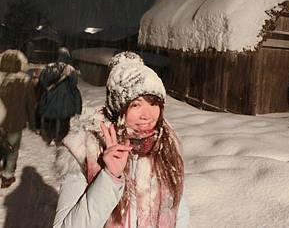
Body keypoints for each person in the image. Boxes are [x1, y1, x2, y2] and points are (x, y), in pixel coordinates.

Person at [53, 59, 189, 227]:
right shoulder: (87, 149)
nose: (147, 115)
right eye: (136, 105)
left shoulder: (166, 145)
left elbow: (178, 210)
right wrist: (110, 177)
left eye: (154, 104)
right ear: (118, 108)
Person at [0, 49, 36, 188]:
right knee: (12, 149)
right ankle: (7, 176)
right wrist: (33, 123)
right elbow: (30, 104)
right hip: (15, 122)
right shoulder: (25, 80)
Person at [38, 47, 82, 145]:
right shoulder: (70, 70)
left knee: (50, 120)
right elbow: (73, 89)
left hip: (50, 101)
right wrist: (78, 108)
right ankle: (59, 139)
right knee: (63, 122)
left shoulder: (47, 68)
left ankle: (49, 137)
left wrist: (41, 104)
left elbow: (42, 85)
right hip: (65, 102)